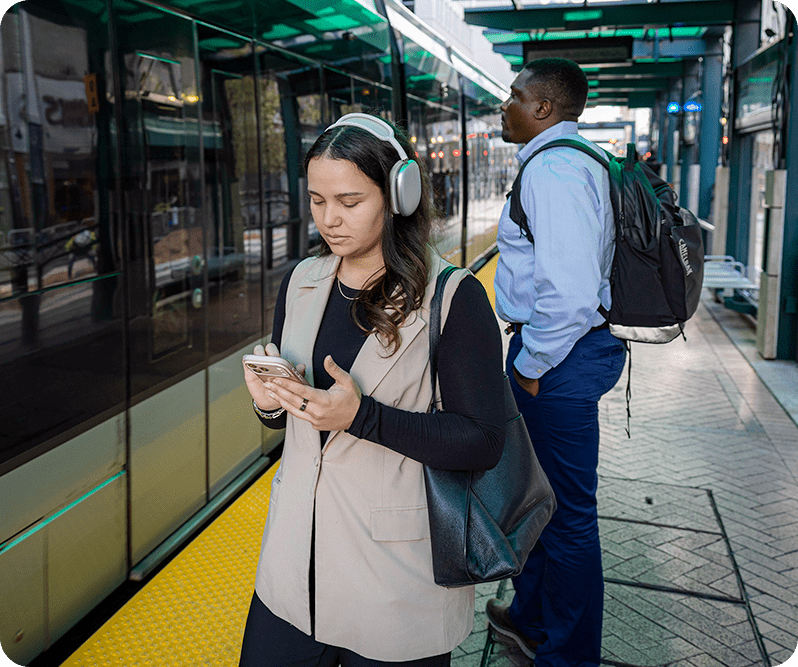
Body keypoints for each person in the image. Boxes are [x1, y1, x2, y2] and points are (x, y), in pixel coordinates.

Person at [238, 112, 506, 667]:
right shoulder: (301, 282)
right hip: (292, 566)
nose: (329, 220)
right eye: (316, 201)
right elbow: (302, 414)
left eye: (350, 201)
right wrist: (271, 406)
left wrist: (362, 417)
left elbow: (483, 440)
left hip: (395, 581)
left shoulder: (453, 299)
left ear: (398, 195)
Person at [487, 58, 627, 667]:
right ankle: (531, 618)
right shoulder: (569, 162)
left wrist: (531, 364)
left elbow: (568, 294)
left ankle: (567, 655)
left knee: (568, 517)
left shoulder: (556, 171)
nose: (504, 104)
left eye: (514, 96)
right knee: (539, 501)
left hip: (558, 360)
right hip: (560, 354)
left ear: (543, 108)